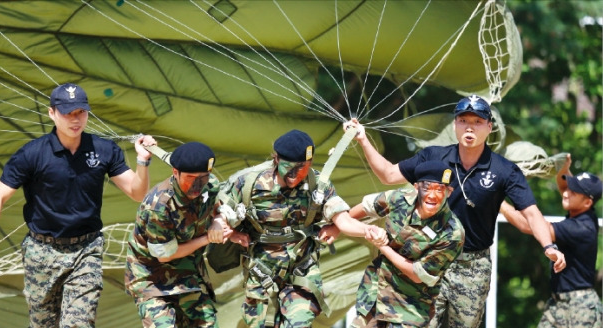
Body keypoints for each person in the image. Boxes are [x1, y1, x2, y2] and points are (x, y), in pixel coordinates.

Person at [344, 95, 566, 327]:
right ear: (455, 125)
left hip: (472, 266)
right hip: (429, 257)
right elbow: (388, 175)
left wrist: (548, 246)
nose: (470, 127)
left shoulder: (504, 170)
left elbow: (531, 213)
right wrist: (363, 139)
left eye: (478, 121)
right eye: (463, 120)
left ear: (489, 127)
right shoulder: (434, 157)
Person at [0, 82, 157, 328]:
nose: (75, 120)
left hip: (86, 250)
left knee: (78, 324)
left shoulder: (104, 150)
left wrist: (143, 160)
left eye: (81, 112)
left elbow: (137, 193)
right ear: (52, 113)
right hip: (41, 252)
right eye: (67, 113)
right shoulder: (32, 154)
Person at [208, 129, 360, 328]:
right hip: (261, 273)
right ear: (277, 159)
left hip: (301, 269)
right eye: (290, 167)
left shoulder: (317, 184)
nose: (297, 175)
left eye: (304, 168)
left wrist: (367, 231)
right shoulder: (248, 183)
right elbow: (219, 210)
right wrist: (227, 229)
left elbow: (342, 217)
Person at [125, 142, 249, 327]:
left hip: (189, 273)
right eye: (191, 178)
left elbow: (214, 207)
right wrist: (207, 238)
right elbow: (165, 255)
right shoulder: (159, 206)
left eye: (203, 177)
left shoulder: (210, 185)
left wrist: (221, 224)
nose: (198, 185)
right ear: (175, 172)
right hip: (153, 280)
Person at [342, 160, 465, 327]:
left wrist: (382, 245)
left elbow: (417, 273)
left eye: (440, 189)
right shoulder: (399, 199)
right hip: (374, 297)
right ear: (416, 187)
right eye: (427, 188)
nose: (432, 195)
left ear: (449, 192)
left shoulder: (452, 232)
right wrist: (337, 225)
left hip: (409, 309)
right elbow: (367, 206)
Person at [500, 154, 602, 328]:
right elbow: (564, 186)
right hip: (558, 302)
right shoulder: (582, 212)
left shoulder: (581, 228)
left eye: (574, 191)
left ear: (587, 203)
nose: (566, 193)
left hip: (580, 306)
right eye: (569, 187)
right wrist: (564, 168)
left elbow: (528, 225)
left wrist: (498, 201)